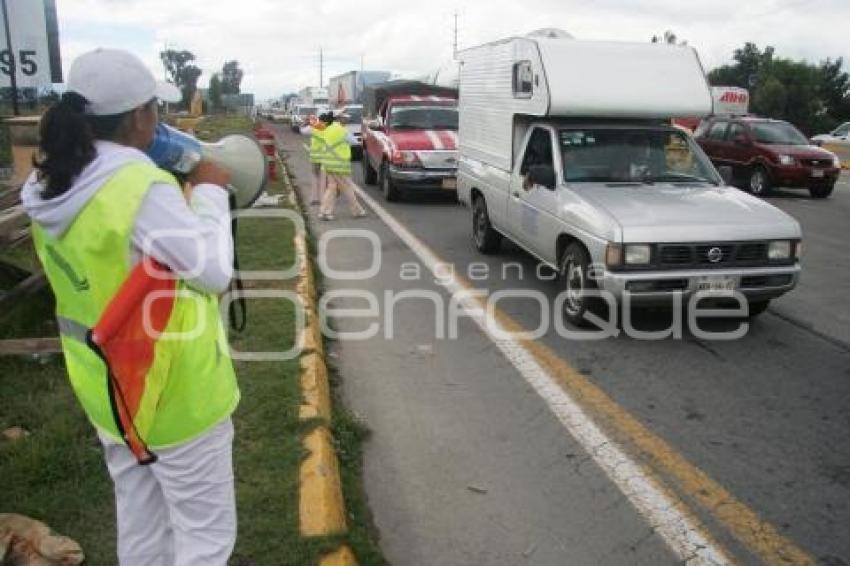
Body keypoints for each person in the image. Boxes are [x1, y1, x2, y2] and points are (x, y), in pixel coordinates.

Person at [21, 48, 239, 565]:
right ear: (140, 116)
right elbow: (213, 272)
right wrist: (208, 193)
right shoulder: (140, 188)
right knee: (203, 540)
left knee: (143, 528)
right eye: (154, 111)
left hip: (110, 391)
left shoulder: (48, 183)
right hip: (172, 393)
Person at [303, 112, 366, 221]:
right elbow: (354, 141)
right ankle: (357, 210)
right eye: (345, 118)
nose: (347, 120)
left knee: (331, 188)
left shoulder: (327, 130)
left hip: (328, 164)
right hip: (340, 165)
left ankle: (324, 212)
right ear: (338, 119)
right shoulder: (342, 130)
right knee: (347, 187)